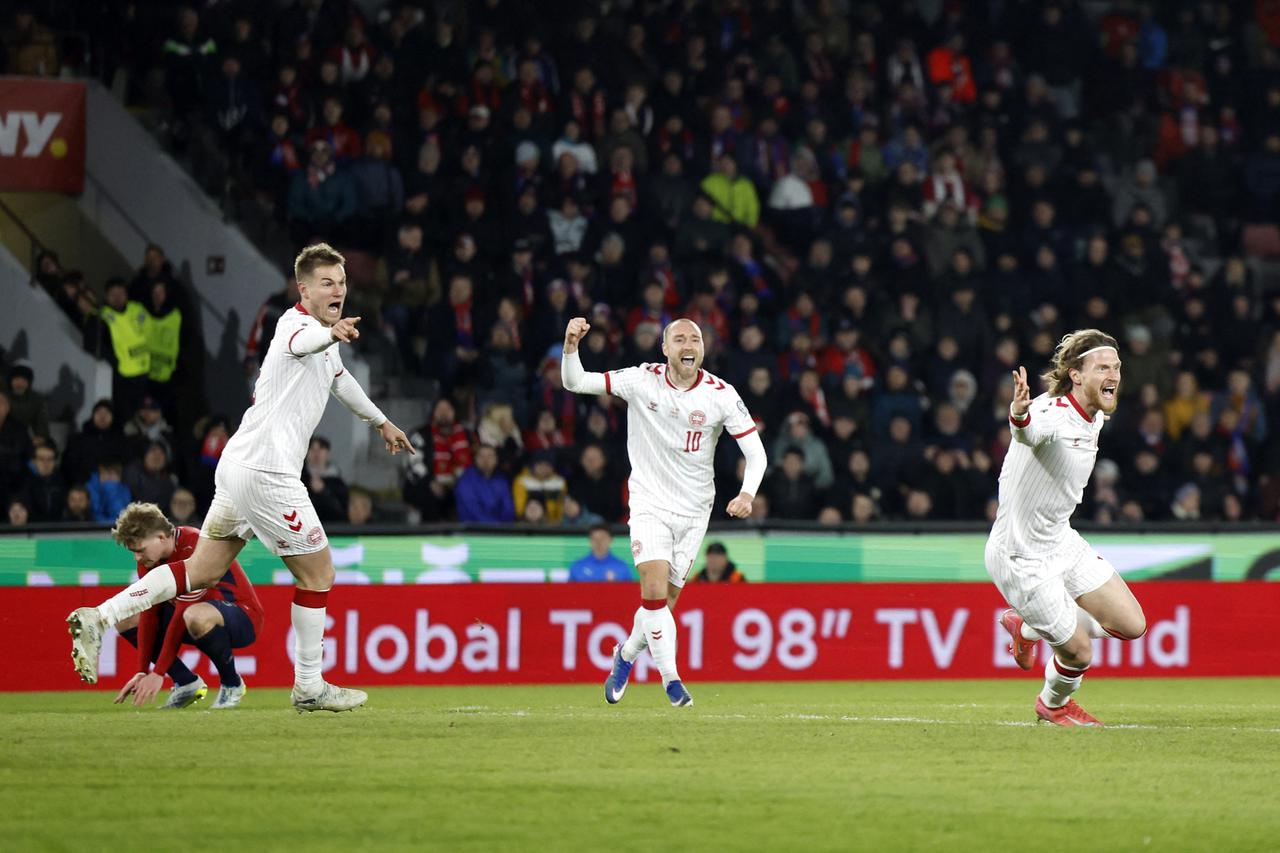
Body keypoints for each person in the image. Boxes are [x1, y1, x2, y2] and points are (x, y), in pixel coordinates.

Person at [68, 243, 414, 712]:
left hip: (239, 466)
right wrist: (330, 334)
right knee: (319, 573)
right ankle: (310, 686)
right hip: (268, 472)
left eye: (343, 282)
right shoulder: (296, 325)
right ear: (304, 288)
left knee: (200, 572)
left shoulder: (320, 335)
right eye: (328, 283)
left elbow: (340, 380)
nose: (339, 290)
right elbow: (306, 344)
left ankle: (100, 615)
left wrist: (380, 422)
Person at [562, 316, 767, 707]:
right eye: (679, 338)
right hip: (649, 503)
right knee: (654, 594)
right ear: (665, 349)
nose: (689, 344)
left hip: (694, 511)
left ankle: (624, 655)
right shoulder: (641, 380)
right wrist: (571, 345)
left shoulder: (721, 394)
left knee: (661, 608)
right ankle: (672, 681)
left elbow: (755, 453)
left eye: (696, 338)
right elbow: (576, 382)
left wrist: (747, 494)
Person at [986, 330, 1147, 727]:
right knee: (1078, 653)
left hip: (1060, 540)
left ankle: (1025, 628)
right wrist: (1019, 413)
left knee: (1132, 625)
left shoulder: (1094, 415)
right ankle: (1053, 703)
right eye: (1103, 367)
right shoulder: (1050, 413)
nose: (1114, 374)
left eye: (1117, 367)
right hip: (1020, 554)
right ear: (1076, 375)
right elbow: (1028, 430)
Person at [109, 502, 263, 710]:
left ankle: (232, 684)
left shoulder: (195, 546)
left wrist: (159, 673)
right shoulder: (149, 562)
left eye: (140, 550)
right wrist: (143, 670)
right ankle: (186, 683)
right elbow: (150, 613)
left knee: (193, 615)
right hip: (194, 616)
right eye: (133, 552)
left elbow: (181, 614)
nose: (137, 557)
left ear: (161, 537)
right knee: (126, 617)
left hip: (243, 616)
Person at [568, 524, 633, 582]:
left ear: (610, 540)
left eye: (602, 538)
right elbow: (570, 593)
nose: (599, 542)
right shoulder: (578, 566)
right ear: (590, 541)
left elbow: (628, 593)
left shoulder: (621, 567)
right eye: (595, 539)